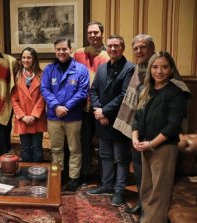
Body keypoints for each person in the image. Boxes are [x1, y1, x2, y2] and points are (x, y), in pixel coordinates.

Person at [132, 51, 190, 223]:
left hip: (163, 148)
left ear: (171, 69)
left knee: (159, 192)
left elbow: (172, 126)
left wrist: (151, 144)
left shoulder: (176, 92)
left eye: (164, 67)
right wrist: (135, 138)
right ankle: (147, 219)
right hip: (145, 146)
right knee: (146, 189)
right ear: (150, 69)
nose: (159, 71)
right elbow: (137, 118)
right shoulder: (144, 89)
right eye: (155, 67)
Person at [87, 35, 134, 206]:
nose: (113, 49)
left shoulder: (130, 68)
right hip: (102, 120)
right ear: (106, 48)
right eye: (110, 46)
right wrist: (99, 111)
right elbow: (93, 91)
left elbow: (125, 95)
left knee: (121, 158)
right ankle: (107, 185)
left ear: (123, 48)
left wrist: (105, 112)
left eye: (116, 46)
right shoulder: (101, 68)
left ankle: (119, 191)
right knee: (105, 155)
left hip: (119, 121)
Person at [113, 34, 155, 215]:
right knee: (138, 169)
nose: (139, 51)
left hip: (154, 132)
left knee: (152, 174)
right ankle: (142, 202)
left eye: (143, 47)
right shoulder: (139, 68)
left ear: (152, 48)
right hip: (137, 129)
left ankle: (151, 209)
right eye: (136, 48)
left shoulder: (160, 66)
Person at [41, 37, 89, 191]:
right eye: (58, 49)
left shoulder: (81, 69)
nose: (61, 52)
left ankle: (74, 179)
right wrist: (56, 106)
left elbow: (83, 92)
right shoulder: (49, 69)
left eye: (64, 49)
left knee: (75, 149)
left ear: (70, 50)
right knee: (56, 149)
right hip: (54, 116)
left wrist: (66, 107)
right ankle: (58, 176)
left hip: (73, 116)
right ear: (55, 51)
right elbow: (45, 90)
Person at [73, 21, 110, 185]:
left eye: (96, 32)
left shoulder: (109, 54)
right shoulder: (78, 54)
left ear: (102, 34)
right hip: (81, 107)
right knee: (84, 142)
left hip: (101, 108)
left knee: (103, 144)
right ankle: (85, 175)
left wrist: (104, 108)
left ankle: (104, 178)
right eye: (90, 33)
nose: (93, 35)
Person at [11, 47, 47, 163]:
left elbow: (43, 97)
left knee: (37, 148)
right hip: (23, 119)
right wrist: (23, 116)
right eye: (24, 57)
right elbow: (14, 99)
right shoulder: (17, 76)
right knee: (25, 149)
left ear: (34, 59)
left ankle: (38, 177)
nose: (26, 60)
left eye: (29, 57)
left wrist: (34, 115)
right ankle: (26, 177)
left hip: (37, 118)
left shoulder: (42, 75)